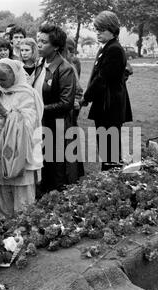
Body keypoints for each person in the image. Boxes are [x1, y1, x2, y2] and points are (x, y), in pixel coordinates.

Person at [0, 59, 43, 218]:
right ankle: (5, 226)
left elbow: (30, 123)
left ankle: (24, 226)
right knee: (2, 190)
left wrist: (3, 111)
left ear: (15, 76)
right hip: (0, 147)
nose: (0, 82)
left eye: (3, 79)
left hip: (20, 150)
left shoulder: (27, 93)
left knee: (22, 193)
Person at [34, 24, 82, 193]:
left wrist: (39, 109)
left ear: (55, 47)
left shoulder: (65, 69)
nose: (38, 44)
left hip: (58, 127)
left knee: (58, 168)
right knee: (43, 164)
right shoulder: (40, 64)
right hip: (41, 124)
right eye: (38, 40)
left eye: (43, 42)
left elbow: (66, 103)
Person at [82, 11, 133, 171]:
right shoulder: (107, 47)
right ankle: (109, 179)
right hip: (106, 105)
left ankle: (111, 182)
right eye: (97, 29)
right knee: (106, 148)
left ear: (113, 30)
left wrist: (86, 98)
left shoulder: (114, 49)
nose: (98, 33)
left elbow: (101, 79)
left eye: (102, 29)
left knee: (109, 149)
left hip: (110, 106)